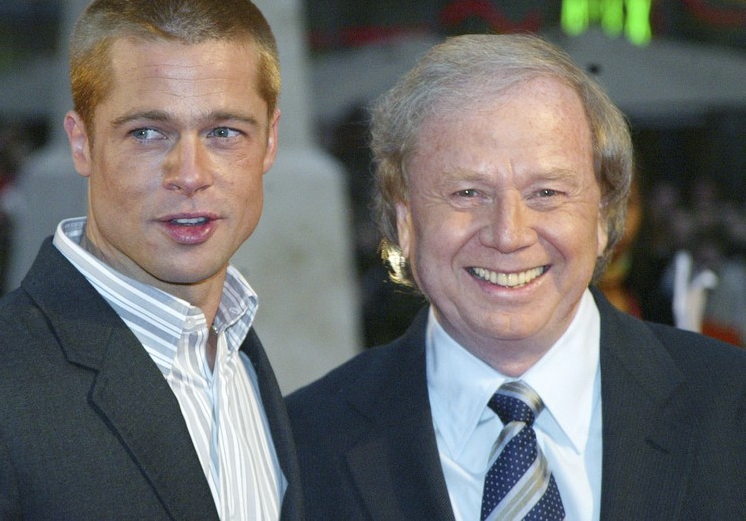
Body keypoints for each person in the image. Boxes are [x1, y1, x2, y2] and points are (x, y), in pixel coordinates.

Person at [0, 0, 304, 520]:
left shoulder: (245, 366)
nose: (190, 172)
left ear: (269, 142)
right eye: (148, 133)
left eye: (224, 132)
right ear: (81, 144)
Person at [286, 33, 746, 520]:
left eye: (546, 192)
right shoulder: (301, 448)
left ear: (605, 216)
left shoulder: (732, 414)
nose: (508, 234)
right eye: (467, 193)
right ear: (405, 220)